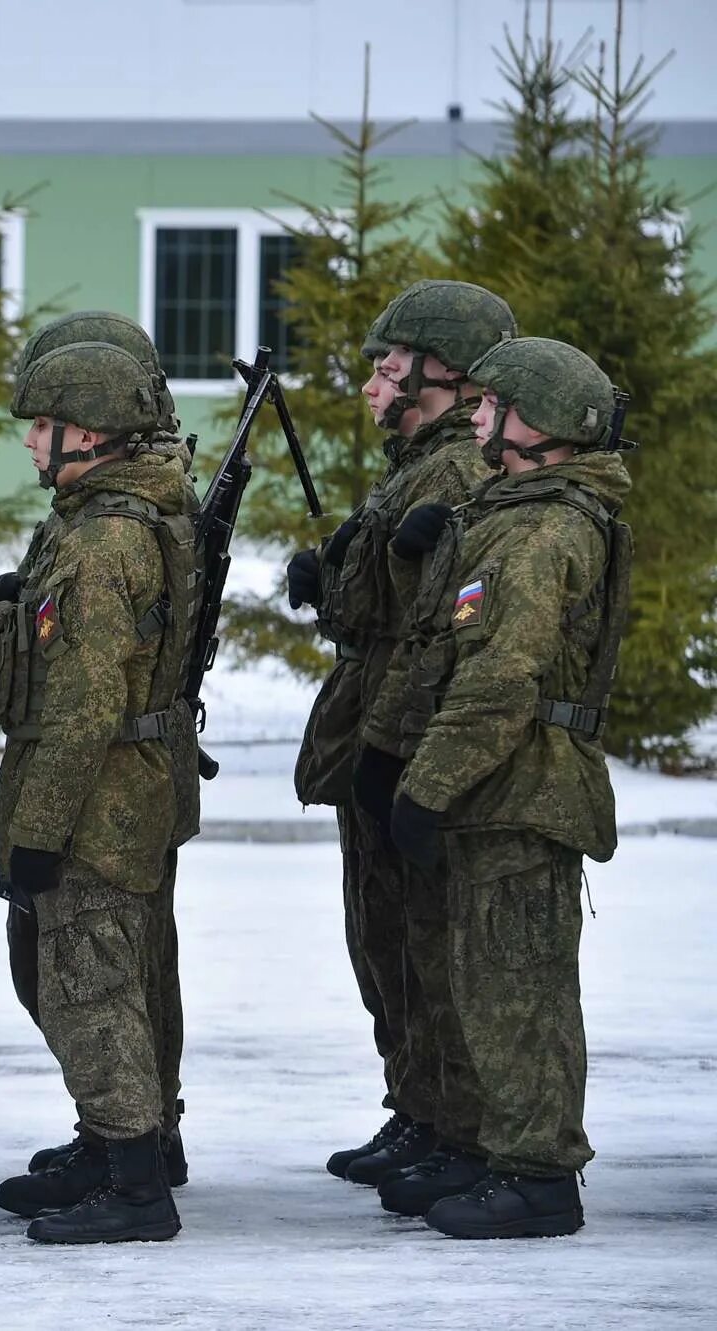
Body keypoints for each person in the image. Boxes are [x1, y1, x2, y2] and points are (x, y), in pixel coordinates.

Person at [363, 337, 631, 1240]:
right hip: (503, 785)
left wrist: (425, 787)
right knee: (484, 982)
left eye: (492, 407)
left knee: (520, 990)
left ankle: (539, 1175)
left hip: (527, 788)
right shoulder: (511, 512)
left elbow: (498, 679)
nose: (474, 416)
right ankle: (497, 1155)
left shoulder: (544, 529)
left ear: (540, 426)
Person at [0, 341, 197, 1244]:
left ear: (87, 434)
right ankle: (109, 1146)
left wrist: (38, 831)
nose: (28, 443)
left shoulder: (103, 542)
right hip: (116, 792)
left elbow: (85, 706)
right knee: (88, 980)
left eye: (41, 426)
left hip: (97, 803)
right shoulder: (106, 520)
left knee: (90, 987)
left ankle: (134, 1184)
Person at [286, 281, 516, 1197]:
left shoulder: (458, 469)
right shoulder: (417, 462)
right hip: (372, 711)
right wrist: (333, 579)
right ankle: (417, 1106)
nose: (375, 380)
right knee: (381, 936)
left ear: (443, 372)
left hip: (408, 726)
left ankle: (454, 1125)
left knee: (423, 941)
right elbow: (387, 593)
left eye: (389, 365)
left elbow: (438, 629)